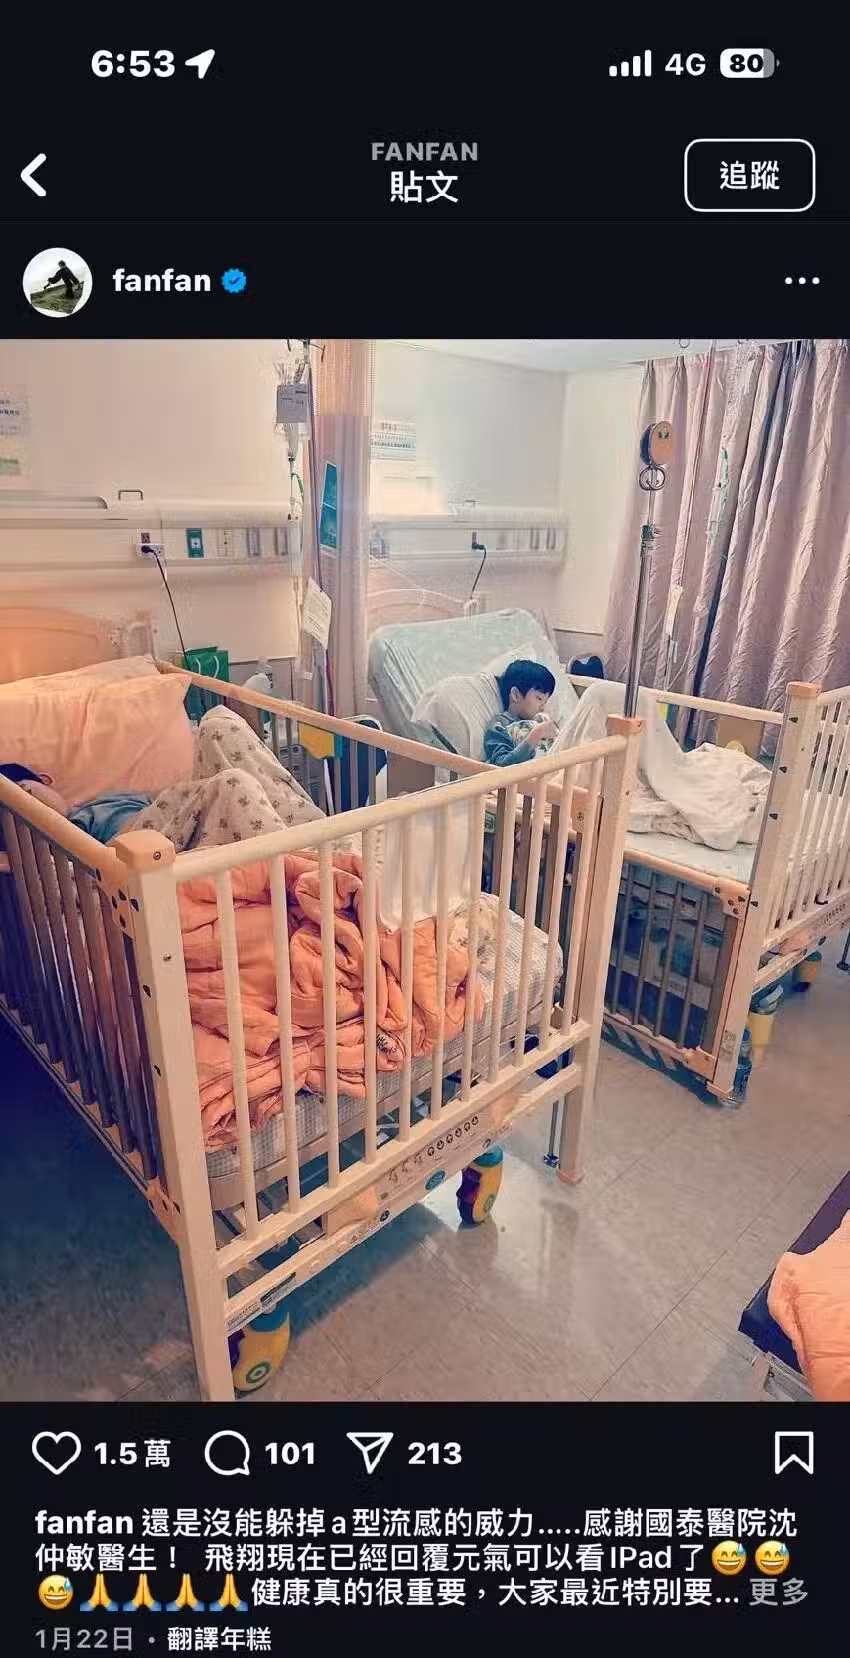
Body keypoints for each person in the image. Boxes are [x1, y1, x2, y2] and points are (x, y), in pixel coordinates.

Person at [0, 706, 323, 851]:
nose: (31, 810)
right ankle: (300, 861)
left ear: (45, 779)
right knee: (233, 783)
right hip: (142, 850)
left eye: (27, 792)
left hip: (182, 817)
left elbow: (166, 800)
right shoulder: (68, 840)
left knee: (218, 724)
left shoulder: (101, 801)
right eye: (18, 814)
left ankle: (315, 834)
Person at [483, 660, 557, 766]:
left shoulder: (539, 721)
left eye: (545, 702)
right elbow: (501, 765)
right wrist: (536, 734)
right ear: (516, 695)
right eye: (539, 698)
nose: (543, 707)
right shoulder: (500, 725)